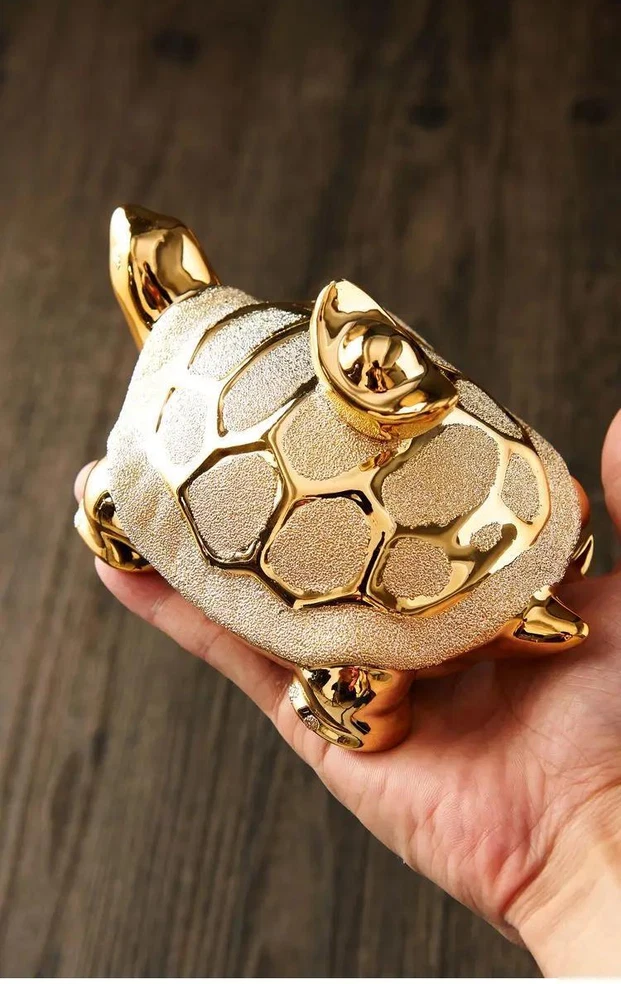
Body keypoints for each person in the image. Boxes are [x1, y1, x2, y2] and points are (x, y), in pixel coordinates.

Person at [74, 410, 621, 977]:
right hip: (234, 457)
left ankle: (121, 502)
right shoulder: (390, 650)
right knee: (368, 686)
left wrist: (573, 858)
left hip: (411, 470)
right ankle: (118, 500)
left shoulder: (541, 528)